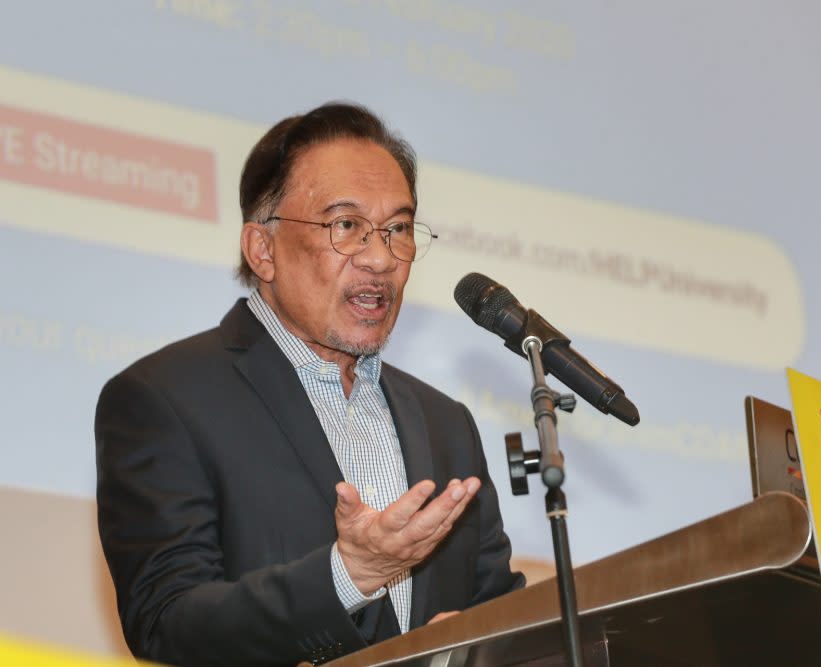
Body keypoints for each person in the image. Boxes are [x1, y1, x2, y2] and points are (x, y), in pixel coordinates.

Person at [95, 102, 524, 667]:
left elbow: (493, 607)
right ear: (263, 250)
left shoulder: (447, 423)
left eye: (397, 228)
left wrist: (480, 643)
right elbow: (166, 619)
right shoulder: (164, 397)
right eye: (346, 226)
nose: (380, 258)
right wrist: (349, 576)